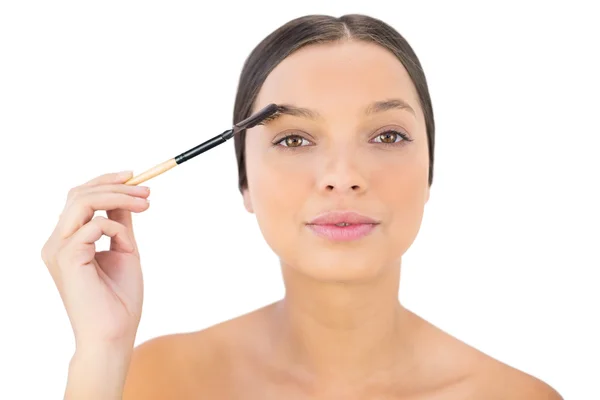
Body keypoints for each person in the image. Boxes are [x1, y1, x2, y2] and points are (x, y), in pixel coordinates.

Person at [41, 13, 562, 399]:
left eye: (386, 134)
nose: (342, 178)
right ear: (244, 182)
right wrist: (101, 354)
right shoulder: (147, 382)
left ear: (430, 170)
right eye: (293, 139)